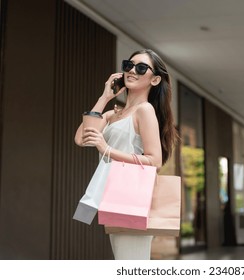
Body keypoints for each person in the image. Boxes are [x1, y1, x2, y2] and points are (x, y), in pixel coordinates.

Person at [74, 49, 178, 260]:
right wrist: (104, 97)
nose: (132, 71)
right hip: (115, 196)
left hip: (132, 197)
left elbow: (154, 160)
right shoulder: (114, 113)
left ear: (155, 79)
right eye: (128, 65)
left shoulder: (145, 110)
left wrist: (107, 150)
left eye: (141, 68)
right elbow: (80, 138)